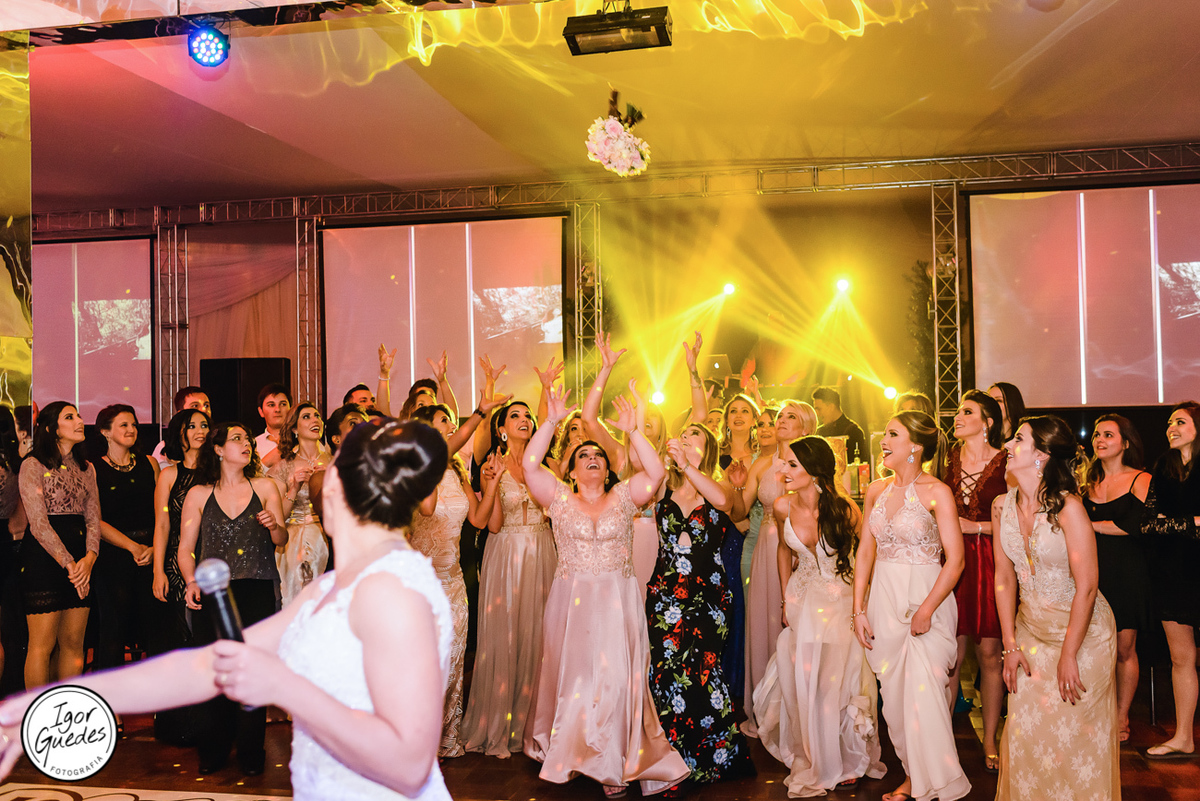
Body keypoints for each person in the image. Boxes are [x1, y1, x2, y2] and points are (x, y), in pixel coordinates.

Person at [0, 418, 456, 801]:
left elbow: (409, 762)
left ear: (337, 496)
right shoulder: (338, 587)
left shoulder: (393, 593)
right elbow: (203, 667)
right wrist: (39, 710)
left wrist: (284, 685)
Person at [522, 385, 689, 797]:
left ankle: (613, 759)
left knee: (616, 678)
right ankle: (577, 753)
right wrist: (549, 422)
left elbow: (657, 474)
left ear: (607, 469)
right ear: (572, 470)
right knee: (576, 679)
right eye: (584, 456)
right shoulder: (557, 498)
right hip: (571, 602)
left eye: (598, 456)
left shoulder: (623, 497)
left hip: (617, 600)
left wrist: (634, 433)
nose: (593, 459)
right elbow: (529, 465)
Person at [994, 416, 1119, 799]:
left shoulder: (1069, 509)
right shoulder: (1003, 505)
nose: (1008, 445)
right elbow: (1004, 579)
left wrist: (1069, 653)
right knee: (1026, 733)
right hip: (1030, 632)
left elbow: (1088, 586)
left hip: (1084, 637)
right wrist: (1010, 646)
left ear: (1042, 456)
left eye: (1018, 439)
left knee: (1077, 743)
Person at [753, 436, 885, 795]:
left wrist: (861, 603)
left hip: (839, 601)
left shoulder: (845, 510)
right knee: (803, 682)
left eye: (793, 465)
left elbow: (865, 557)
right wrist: (784, 596)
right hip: (802, 599)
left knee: (838, 681)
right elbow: (784, 550)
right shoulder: (782, 507)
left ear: (815, 471)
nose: (785, 471)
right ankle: (813, 756)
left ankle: (847, 755)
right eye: (786, 463)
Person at [852, 411, 969, 801]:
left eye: (892, 434)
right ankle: (913, 772)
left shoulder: (938, 492)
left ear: (915, 446)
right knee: (896, 699)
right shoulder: (875, 491)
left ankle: (929, 780)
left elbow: (955, 560)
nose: (883, 440)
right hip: (884, 599)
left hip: (927, 598)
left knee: (925, 692)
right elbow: (865, 553)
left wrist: (926, 610)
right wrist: (858, 609)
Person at [646, 421, 754, 785]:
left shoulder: (717, 486)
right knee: (666, 670)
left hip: (708, 595)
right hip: (666, 594)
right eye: (684, 432)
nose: (687, 437)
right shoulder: (660, 484)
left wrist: (689, 467)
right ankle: (671, 755)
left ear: (706, 449)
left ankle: (716, 753)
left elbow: (726, 503)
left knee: (705, 669)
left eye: (696, 435)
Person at [177, 422, 287, 775]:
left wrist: (273, 525)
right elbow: (184, 549)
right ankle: (213, 749)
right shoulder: (198, 494)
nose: (246, 444)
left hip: (256, 589)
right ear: (219, 449)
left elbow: (281, 539)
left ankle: (251, 752)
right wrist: (190, 580)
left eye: (246, 439)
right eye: (236, 439)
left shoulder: (266, 486)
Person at [461, 398, 557, 757]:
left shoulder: (545, 466)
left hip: (543, 552)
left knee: (538, 636)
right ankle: (500, 723)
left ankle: (533, 725)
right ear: (501, 428)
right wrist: (494, 483)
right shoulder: (492, 464)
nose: (524, 420)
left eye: (528, 415)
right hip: (507, 553)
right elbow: (494, 524)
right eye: (514, 415)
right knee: (508, 636)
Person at [411, 399, 505, 758]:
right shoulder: (416, 467)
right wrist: (479, 412)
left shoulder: (458, 469)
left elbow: (480, 521)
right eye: (443, 422)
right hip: (421, 583)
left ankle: (445, 737)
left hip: (452, 582)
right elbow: (428, 508)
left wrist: (491, 483)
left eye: (453, 422)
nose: (451, 427)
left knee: (452, 660)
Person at [729, 400, 817, 733]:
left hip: (802, 550)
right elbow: (738, 512)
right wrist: (737, 485)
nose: (780, 421)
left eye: (790, 417)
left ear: (805, 427)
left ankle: (799, 712)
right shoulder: (761, 464)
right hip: (766, 548)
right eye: (780, 416)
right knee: (764, 622)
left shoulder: (812, 464)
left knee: (797, 625)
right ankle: (766, 710)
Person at [943, 389, 1008, 771]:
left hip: (989, 562)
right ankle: (944, 740)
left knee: (989, 654)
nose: (957, 416)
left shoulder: (1005, 461)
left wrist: (977, 526)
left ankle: (990, 740)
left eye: (967, 412)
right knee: (950, 654)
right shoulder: (944, 458)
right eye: (957, 411)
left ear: (987, 422)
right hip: (950, 562)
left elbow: (1015, 519)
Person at [17, 401, 101, 688]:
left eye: (78, 415)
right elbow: (38, 523)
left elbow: (93, 518)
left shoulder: (86, 467)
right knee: (42, 644)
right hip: (45, 558)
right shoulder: (33, 464)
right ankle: (38, 718)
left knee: (73, 643)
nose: (79, 421)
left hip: (81, 557)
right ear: (52, 429)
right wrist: (69, 564)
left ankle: (68, 712)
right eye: (70, 417)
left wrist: (88, 559)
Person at [1082, 414, 1150, 744]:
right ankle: (1094, 713)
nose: (1100, 439)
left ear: (1125, 442)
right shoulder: (1086, 481)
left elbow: (1138, 527)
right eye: (1096, 434)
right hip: (1090, 571)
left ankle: (1122, 716)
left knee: (1124, 649)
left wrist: (1088, 526)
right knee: (1092, 646)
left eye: (1108, 434)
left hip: (1127, 572)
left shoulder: (1142, 480)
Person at [149, 407, 210, 745]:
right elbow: (162, 525)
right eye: (192, 426)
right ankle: (178, 724)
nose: (200, 431)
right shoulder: (168, 476)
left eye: (204, 425)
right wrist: (159, 570)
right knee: (179, 643)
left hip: (213, 562)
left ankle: (208, 723)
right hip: (176, 564)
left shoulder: (218, 472)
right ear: (179, 433)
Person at [1143, 401, 1200, 759]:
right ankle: (1183, 737)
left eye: (1180, 421)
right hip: (1171, 573)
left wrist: (1173, 525)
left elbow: (1163, 524)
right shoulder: (1162, 469)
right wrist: (1193, 524)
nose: (1170, 428)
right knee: (1181, 658)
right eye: (1168, 422)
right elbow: (1148, 524)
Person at [90, 404, 160, 671]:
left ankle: (158, 702)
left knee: (154, 626)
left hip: (151, 554)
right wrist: (132, 546)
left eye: (133, 424)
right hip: (113, 556)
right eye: (123, 425)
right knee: (113, 630)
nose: (131, 429)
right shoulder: (93, 468)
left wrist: (154, 547)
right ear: (105, 432)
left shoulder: (149, 463)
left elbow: (161, 511)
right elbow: (94, 519)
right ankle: (111, 701)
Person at [268, 403, 331, 607]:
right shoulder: (283, 467)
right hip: (292, 542)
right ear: (294, 428)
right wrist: (293, 489)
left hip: (327, 539)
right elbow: (278, 518)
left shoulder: (334, 462)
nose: (315, 420)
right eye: (306, 417)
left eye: (317, 416)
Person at [152, 386, 211, 467]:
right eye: (195, 406)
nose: (203, 410)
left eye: (206, 405)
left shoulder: (218, 441)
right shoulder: (165, 446)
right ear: (180, 413)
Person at [812, 387, 866, 464]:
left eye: (819, 409)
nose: (817, 414)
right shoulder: (819, 432)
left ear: (831, 407)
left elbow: (860, 464)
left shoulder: (854, 431)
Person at [254, 383, 292, 467]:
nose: (277, 409)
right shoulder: (253, 445)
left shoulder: (302, 441)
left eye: (283, 404)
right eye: (271, 405)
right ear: (261, 411)